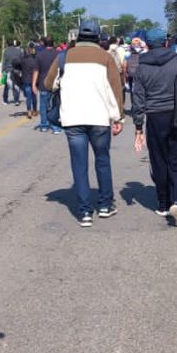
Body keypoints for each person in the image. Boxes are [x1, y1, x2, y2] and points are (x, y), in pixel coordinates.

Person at [41, 21, 124, 227]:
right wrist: (118, 118)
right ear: (98, 37)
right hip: (99, 119)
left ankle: (85, 212)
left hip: (73, 120)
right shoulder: (106, 58)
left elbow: (48, 84)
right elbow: (115, 91)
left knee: (79, 165)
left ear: (78, 37)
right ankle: (105, 205)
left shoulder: (63, 57)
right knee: (102, 160)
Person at [129, 40, 177, 227]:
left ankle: (164, 203)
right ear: (165, 42)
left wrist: (138, 126)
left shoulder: (142, 67)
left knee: (159, 160)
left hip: (155, 117)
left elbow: (138, 98)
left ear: (147, 45)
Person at [32, 37, 62, 134]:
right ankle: (55, 126)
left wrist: (33, 84)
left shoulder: (39, 55)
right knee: (55, 105)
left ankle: (44, 125)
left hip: (43, 84)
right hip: (56, 84)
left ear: (43, 44)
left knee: (43, 105)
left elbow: (36, 71)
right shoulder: (59, 54)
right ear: (53, 43)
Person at [1, 39, 24, 106]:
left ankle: (5, 100)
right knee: (17, 84)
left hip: (8, 70)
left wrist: (3, 70)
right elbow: (22, 60)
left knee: (7, 86)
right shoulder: (19, 51)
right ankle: (16, 100)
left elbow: (4, 61)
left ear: (7, 44)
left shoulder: (6, 51)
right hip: (17, 70)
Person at [19, 42, 39, 120]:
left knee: (28, 97)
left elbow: (15, 63)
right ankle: (34, 110)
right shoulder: (36, 59)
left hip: (26, 80)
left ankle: (29, 111)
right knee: (34, 96)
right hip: (35, 81)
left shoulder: (23, 59)